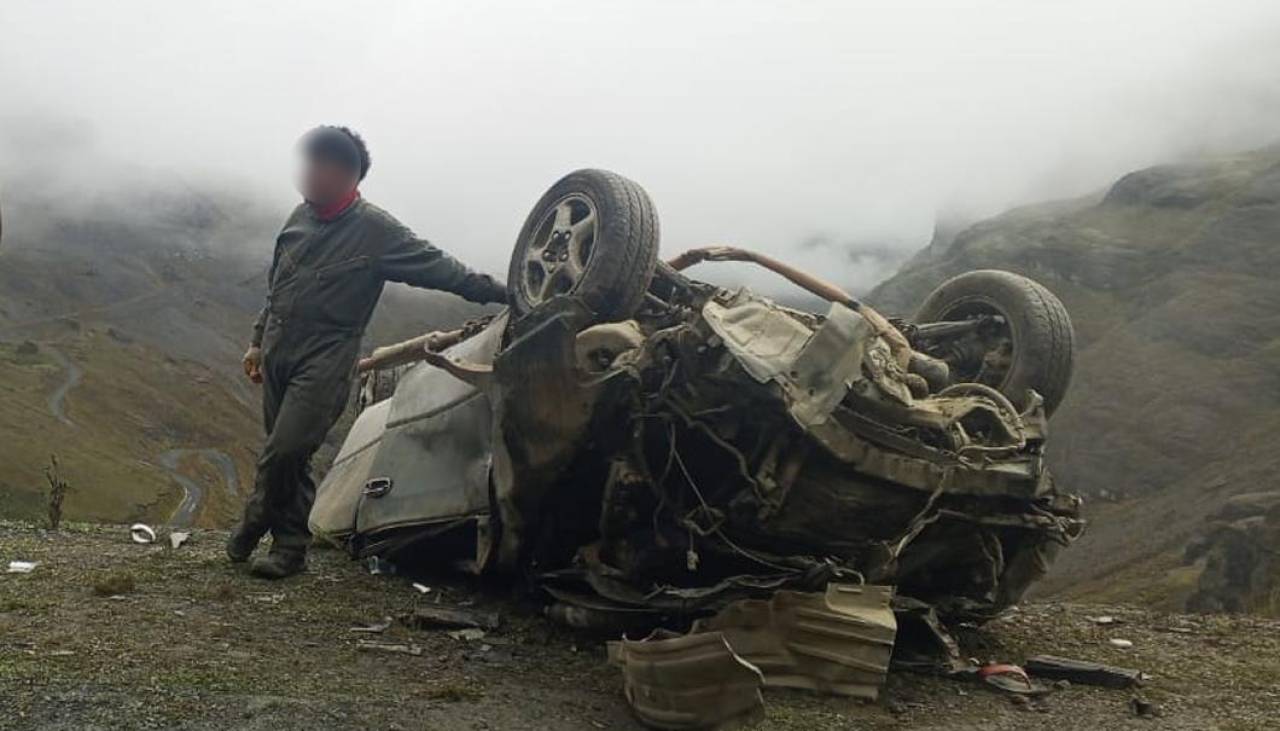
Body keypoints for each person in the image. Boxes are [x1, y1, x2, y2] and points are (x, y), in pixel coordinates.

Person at [229, 125, 507, 578]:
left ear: (347, 175)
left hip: (326, 357)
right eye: (307, 163)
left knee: (285, 450)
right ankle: (289, 549)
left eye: (319, 166)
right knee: (289, 458)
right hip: (279, 349)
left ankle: (254, 518)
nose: (307, 174)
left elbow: (443, 269)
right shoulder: (298, 217)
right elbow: (277, 285)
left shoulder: (376, 230)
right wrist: (257, 342)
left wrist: (510, 293)